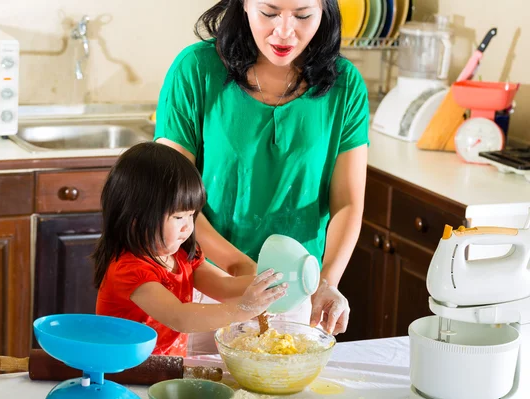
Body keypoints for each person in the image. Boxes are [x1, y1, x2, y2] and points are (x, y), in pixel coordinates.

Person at [154, 0, 369, 342]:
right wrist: (242, 270)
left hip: (297, 291)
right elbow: (170, 195)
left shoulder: (346, 86)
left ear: (324, 11)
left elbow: (347, 203)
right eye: (269, 13)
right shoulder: (195, 70)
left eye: (302, 15)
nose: (285, 31)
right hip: (206, 284)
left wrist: (326, 281)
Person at [93, 142, 287, 356]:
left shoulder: (182, 255)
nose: (188, 226)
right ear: (135, 219)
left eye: (191, 215)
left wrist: (264, 289)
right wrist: (242, 311)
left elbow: (223, 285)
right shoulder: (128, 270)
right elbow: (180, 318)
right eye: (178, 217)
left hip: (164, 372)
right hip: (124, 374)